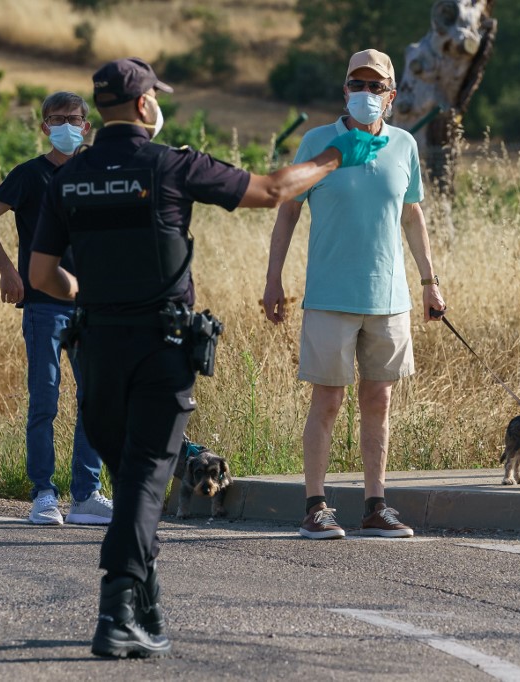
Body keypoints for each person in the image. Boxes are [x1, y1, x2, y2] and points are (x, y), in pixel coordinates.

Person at [28, 57, 388, 659]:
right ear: (146, 107)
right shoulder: (172, 165)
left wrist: (88, 293)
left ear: (100, 110)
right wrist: (331, 159)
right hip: (159, 349)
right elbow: (270, 190)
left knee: (133, 483)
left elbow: (41, 274)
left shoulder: (67, 179)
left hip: (96, 351)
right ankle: (116, 611)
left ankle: (148, 605)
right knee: (145, 485)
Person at [262, 49, 446, 541]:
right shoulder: (318, 142)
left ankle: (375, 505)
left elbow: (412, 215)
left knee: (379, 400)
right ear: (345, 90)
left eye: (375, 87)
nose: (366, 95)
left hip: (389, 298)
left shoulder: (404, 145)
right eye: (357, 85)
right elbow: (287, 212)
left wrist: (430, 281)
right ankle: (316, 506)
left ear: (391, 95)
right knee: (327, 399)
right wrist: (273, 278)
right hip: (329, 295)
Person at [0, 91, 113, 527]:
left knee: (94, 401)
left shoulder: (99, 174)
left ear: (87, 126)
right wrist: (7, 271)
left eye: (73, 118)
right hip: (43, 306)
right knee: (44, 401)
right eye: (56, 119)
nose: (65, 125)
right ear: (44, 127)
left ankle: (87, 494)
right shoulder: (29, 176)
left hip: (92, 306)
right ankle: (44, 494)